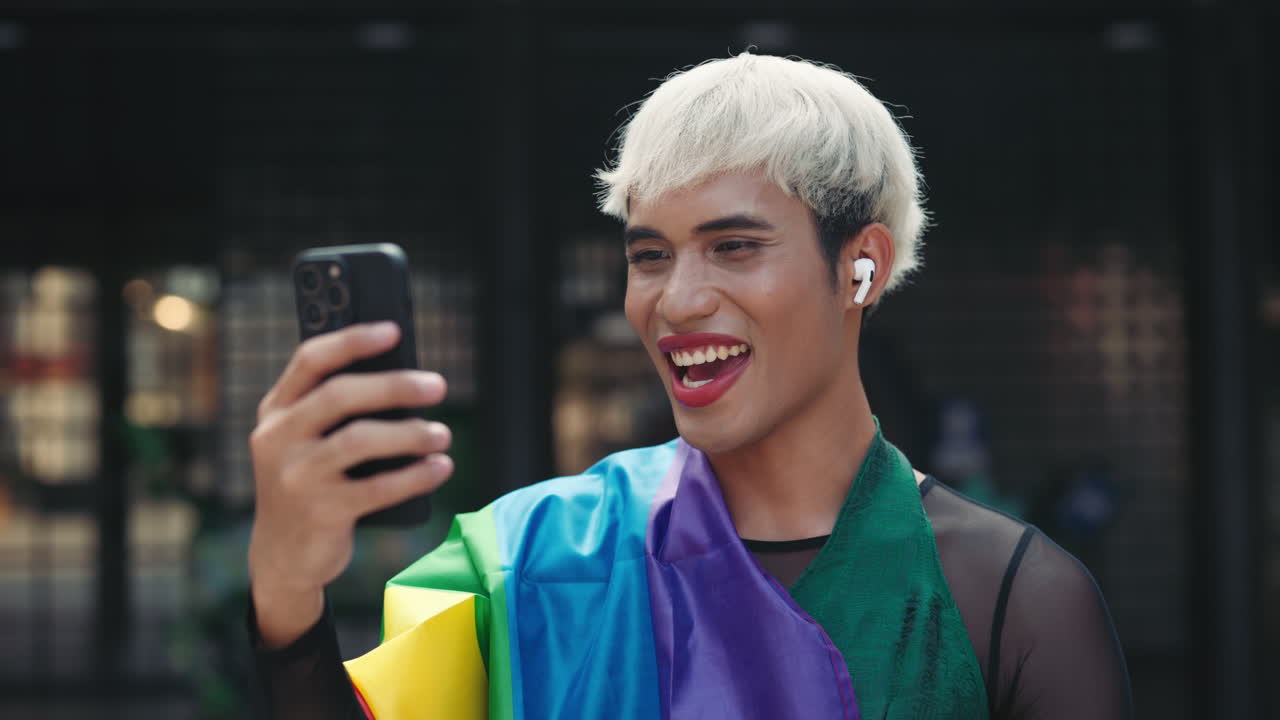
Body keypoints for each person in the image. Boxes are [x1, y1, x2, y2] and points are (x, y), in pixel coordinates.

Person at [247, 52, 1133, 719]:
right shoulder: (530, 559)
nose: (677, 299)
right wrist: (288, 596)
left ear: (860, 266)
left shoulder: (1013, 598)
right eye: (649, 254)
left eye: (734, 246)